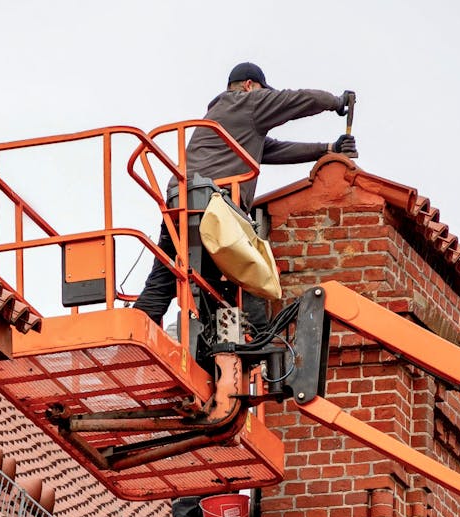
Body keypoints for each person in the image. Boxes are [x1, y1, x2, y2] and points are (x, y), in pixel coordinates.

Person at [134, 61, 356, 333]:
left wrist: (329, 148)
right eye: (263, 92)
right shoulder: (246, 102)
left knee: (166, 277)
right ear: (250, 86)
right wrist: (335, 102)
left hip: (180, 202)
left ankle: (134, 331)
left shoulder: (222, 116)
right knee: (243, 271)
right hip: (214, 205)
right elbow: (296, 100)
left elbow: (273, 150)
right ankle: (246, 339)